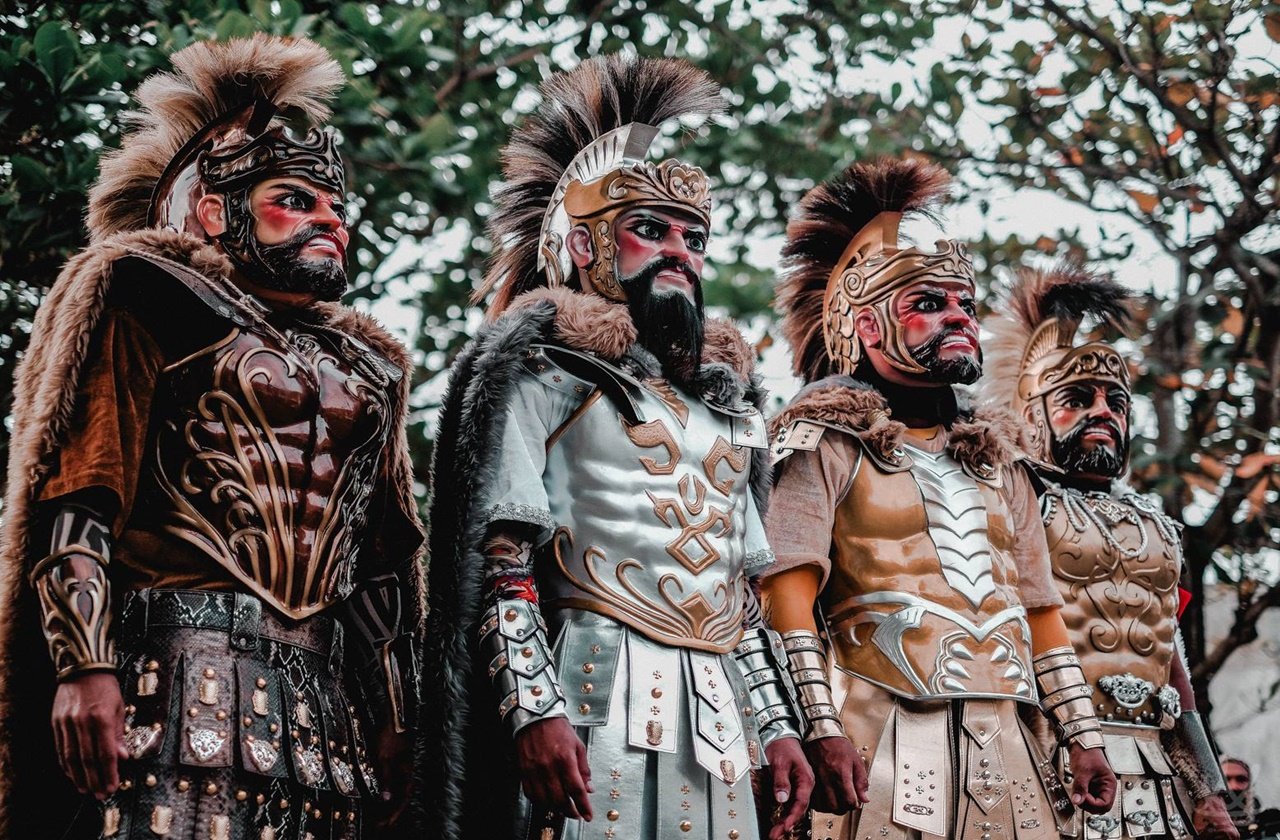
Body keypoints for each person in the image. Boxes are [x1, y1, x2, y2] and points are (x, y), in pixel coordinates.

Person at [0, 35, 425, 840]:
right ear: (212, 210)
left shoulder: (370, 367)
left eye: (336, 208)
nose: (331, 219)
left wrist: (398, 715)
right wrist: (83, 665)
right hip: (171, 672)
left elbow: (383, 566)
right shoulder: (147, 293)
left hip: (328, 714)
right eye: (296, 200)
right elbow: (81, 492)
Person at [416, 54, 812, 840]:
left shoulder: (732, 410)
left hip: (722, 710)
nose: (680, 253)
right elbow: (499, 557)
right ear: (586, 246)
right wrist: (533, 709)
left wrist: (781, 727)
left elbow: (746, 596)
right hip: (588, 687)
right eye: (650, 230)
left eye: (693, 237)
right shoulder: (539, 371)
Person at [760, 158, 1118, 840]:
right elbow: (785, 597)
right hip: (876, 736)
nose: (957, 317)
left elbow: (1041, 611)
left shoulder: (1001, 459)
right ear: (865, 327)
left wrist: (1082, 732)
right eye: (927, 304)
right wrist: (819, 725)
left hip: (1011, 741)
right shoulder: (821, 440)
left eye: (963, 304)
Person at [978, 261, 1238, 840]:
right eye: (1078, 398)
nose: (1104, 412)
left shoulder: (1159, 527)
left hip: (1155, 770)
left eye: (1116, 402)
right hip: (1043, 758)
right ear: (1033, 413)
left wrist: (1209, 789)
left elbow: (1173, 664)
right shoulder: (1006, 499)